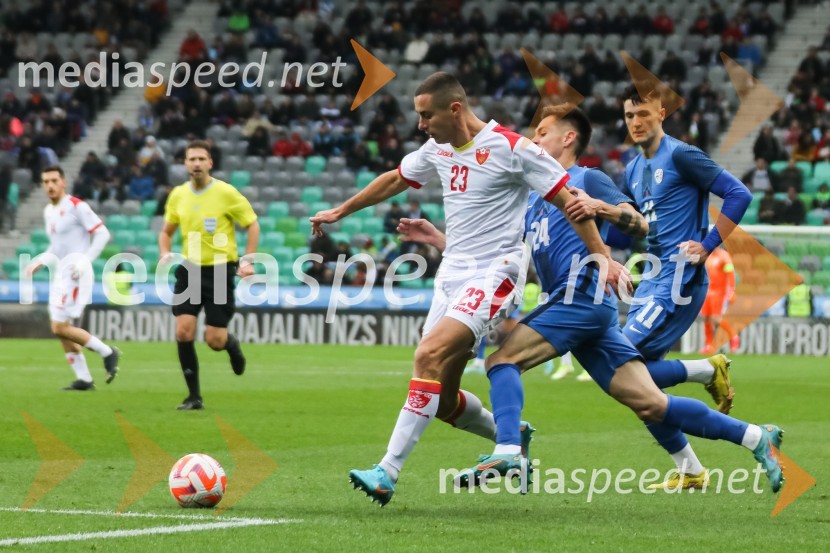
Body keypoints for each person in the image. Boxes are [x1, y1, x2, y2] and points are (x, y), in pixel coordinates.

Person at [397, 108, 783, 495]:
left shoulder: (588, 178)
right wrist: (440, 240)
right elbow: (509, 256)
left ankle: (509, 449)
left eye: (543, 132)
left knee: (502, 360)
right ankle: (754, 436)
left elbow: (639, 222)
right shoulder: (533, 195)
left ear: (567, 139)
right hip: (582, 310)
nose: (534, 139)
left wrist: (602, 209)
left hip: (578, 297)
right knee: (649, 403)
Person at [309, 72, 628, 506]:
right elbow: (396, 177)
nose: (421, 124)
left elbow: (570, 200)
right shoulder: (437, 147)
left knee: (427, 356)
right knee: (439, 397)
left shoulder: (513, 149)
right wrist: (341, 211)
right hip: (452, 274)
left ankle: (387, 471)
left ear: (454, 109)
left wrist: (603, 256)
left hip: (496, 272)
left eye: (426, 115)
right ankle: (509, 435)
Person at [568, 84, 753, 488]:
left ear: (662, 113)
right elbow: (627, 230)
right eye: (629, 116)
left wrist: (706, 246)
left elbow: (739, 194)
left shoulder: (682, 155)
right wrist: (604, 257)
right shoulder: (633, 169)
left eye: (643, 115)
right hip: (651, 279)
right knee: (637, 386)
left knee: (621, 366)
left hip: (679, 278)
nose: (635, 123)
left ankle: (708, 374)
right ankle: (690, 468)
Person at [159, 140, 260, 411]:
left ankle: (232, 345)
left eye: (202, 159)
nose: (196, 163)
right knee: (183, 331)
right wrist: (164, 251)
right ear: (185, 163)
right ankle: (194, 397)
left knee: (214, 341)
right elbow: (166, 231)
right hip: (189, 270)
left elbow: (252, 224)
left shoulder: (226, 193)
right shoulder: (179, 195)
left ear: (210, 163)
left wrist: (247, 260)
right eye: (192, 159)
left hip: (218, 270)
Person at [25, 165, 121, 390]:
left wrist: (84, 260)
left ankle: (107, 352)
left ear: (63, 182)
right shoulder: (49, 211)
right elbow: (57, 246)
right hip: (61, 273)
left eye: (54, 181)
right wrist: (40, 260)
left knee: (60, 327)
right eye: (46, 182)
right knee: (59, 329)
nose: (50, 185)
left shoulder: (77, 207)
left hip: (76, 274)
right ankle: (85, 379)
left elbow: (102, 233)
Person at [699, 246, 738, 354]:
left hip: (719, 292)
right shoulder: (706, 255)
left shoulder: (724, 256)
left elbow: (730, 275)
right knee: (706, 318)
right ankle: (709, 345)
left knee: (716, 319)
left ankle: (733, 336)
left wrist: (732, 291)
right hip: (706, 291)